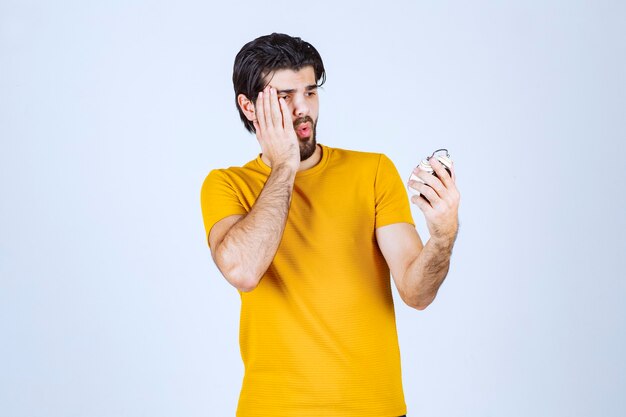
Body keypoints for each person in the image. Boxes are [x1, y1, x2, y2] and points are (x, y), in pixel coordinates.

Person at [200, 33, 460, 417]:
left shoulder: (372, 171)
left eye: (310, 92)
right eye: (284, 97)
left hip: (376, 408)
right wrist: (286, 163)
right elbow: (242, 270)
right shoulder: (226, 185)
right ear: (249, 106)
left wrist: (443, 237)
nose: (302, 110)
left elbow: (416, 293)